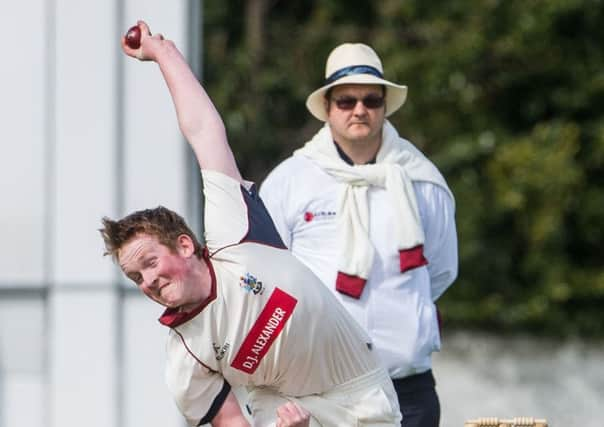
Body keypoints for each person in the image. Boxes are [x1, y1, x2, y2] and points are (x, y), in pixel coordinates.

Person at [100, 21, 402, 427]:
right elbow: (232, 424)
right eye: (136, 276)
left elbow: (205, 132)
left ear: (185, 246)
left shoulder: (233, 235)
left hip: (361, 393)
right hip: (284, 415)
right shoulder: (185, 354)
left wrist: (163, 54)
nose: (147, 281)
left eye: (150, 262)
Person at [260, 43, 458, 427]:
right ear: (328, 108)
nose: (359, 110)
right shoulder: (291, 180)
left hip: (407, 387)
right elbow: (267, 274)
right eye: (346, 100)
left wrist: (400, 315)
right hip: (319, 389)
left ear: (384, 106)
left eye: (371, 99)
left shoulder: (421, 180)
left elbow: (440, 271)